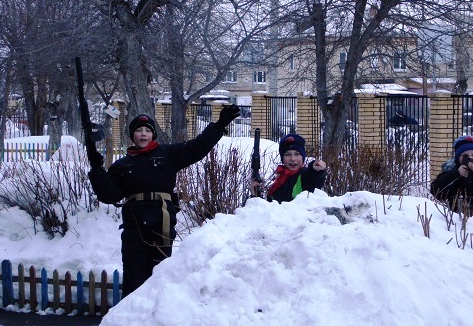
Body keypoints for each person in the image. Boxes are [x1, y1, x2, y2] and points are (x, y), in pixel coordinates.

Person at [87, 106, 240, 297]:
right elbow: (109, 195)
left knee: (160, 276)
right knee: (134, 278)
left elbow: (197, 147)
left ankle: (159, 312)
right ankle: (132, 314)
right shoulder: (122, 165)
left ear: (153, 134)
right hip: (134, 228)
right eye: (139, 130)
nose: (143, 134)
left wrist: (219, 125)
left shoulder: (167, 154)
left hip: (162, 223)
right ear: (132, 135)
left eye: (148, 130)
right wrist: (97, 169)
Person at [251, 133, 327, 203]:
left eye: (297, 154)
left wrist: (315, 169)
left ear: (303, 157)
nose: (293, 159)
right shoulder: (279, 179)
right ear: (282, 158)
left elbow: (313, 179)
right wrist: (256, 196)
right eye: (288, 154)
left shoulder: (304, 176)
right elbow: (270, 208)